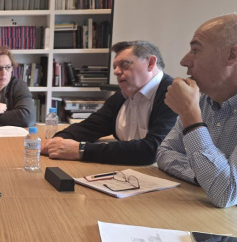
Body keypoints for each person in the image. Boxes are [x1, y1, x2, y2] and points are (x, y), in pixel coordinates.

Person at [157, 13, 237, 228]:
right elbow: (164, 153)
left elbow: (225, 192)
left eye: (196, 50)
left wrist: (191, 116)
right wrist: (206, 176)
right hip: (211, 218)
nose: (185, 61)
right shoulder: (204, 97)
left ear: (232, 55)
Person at [42, 40, 177, 165]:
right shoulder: (122, 96)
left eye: (125, 64)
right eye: (115, 67)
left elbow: (153, 150)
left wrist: (82, 150)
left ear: (150, 63)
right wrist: (60, 139)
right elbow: (90, 127)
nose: (116, 71)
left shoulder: (173, 94)